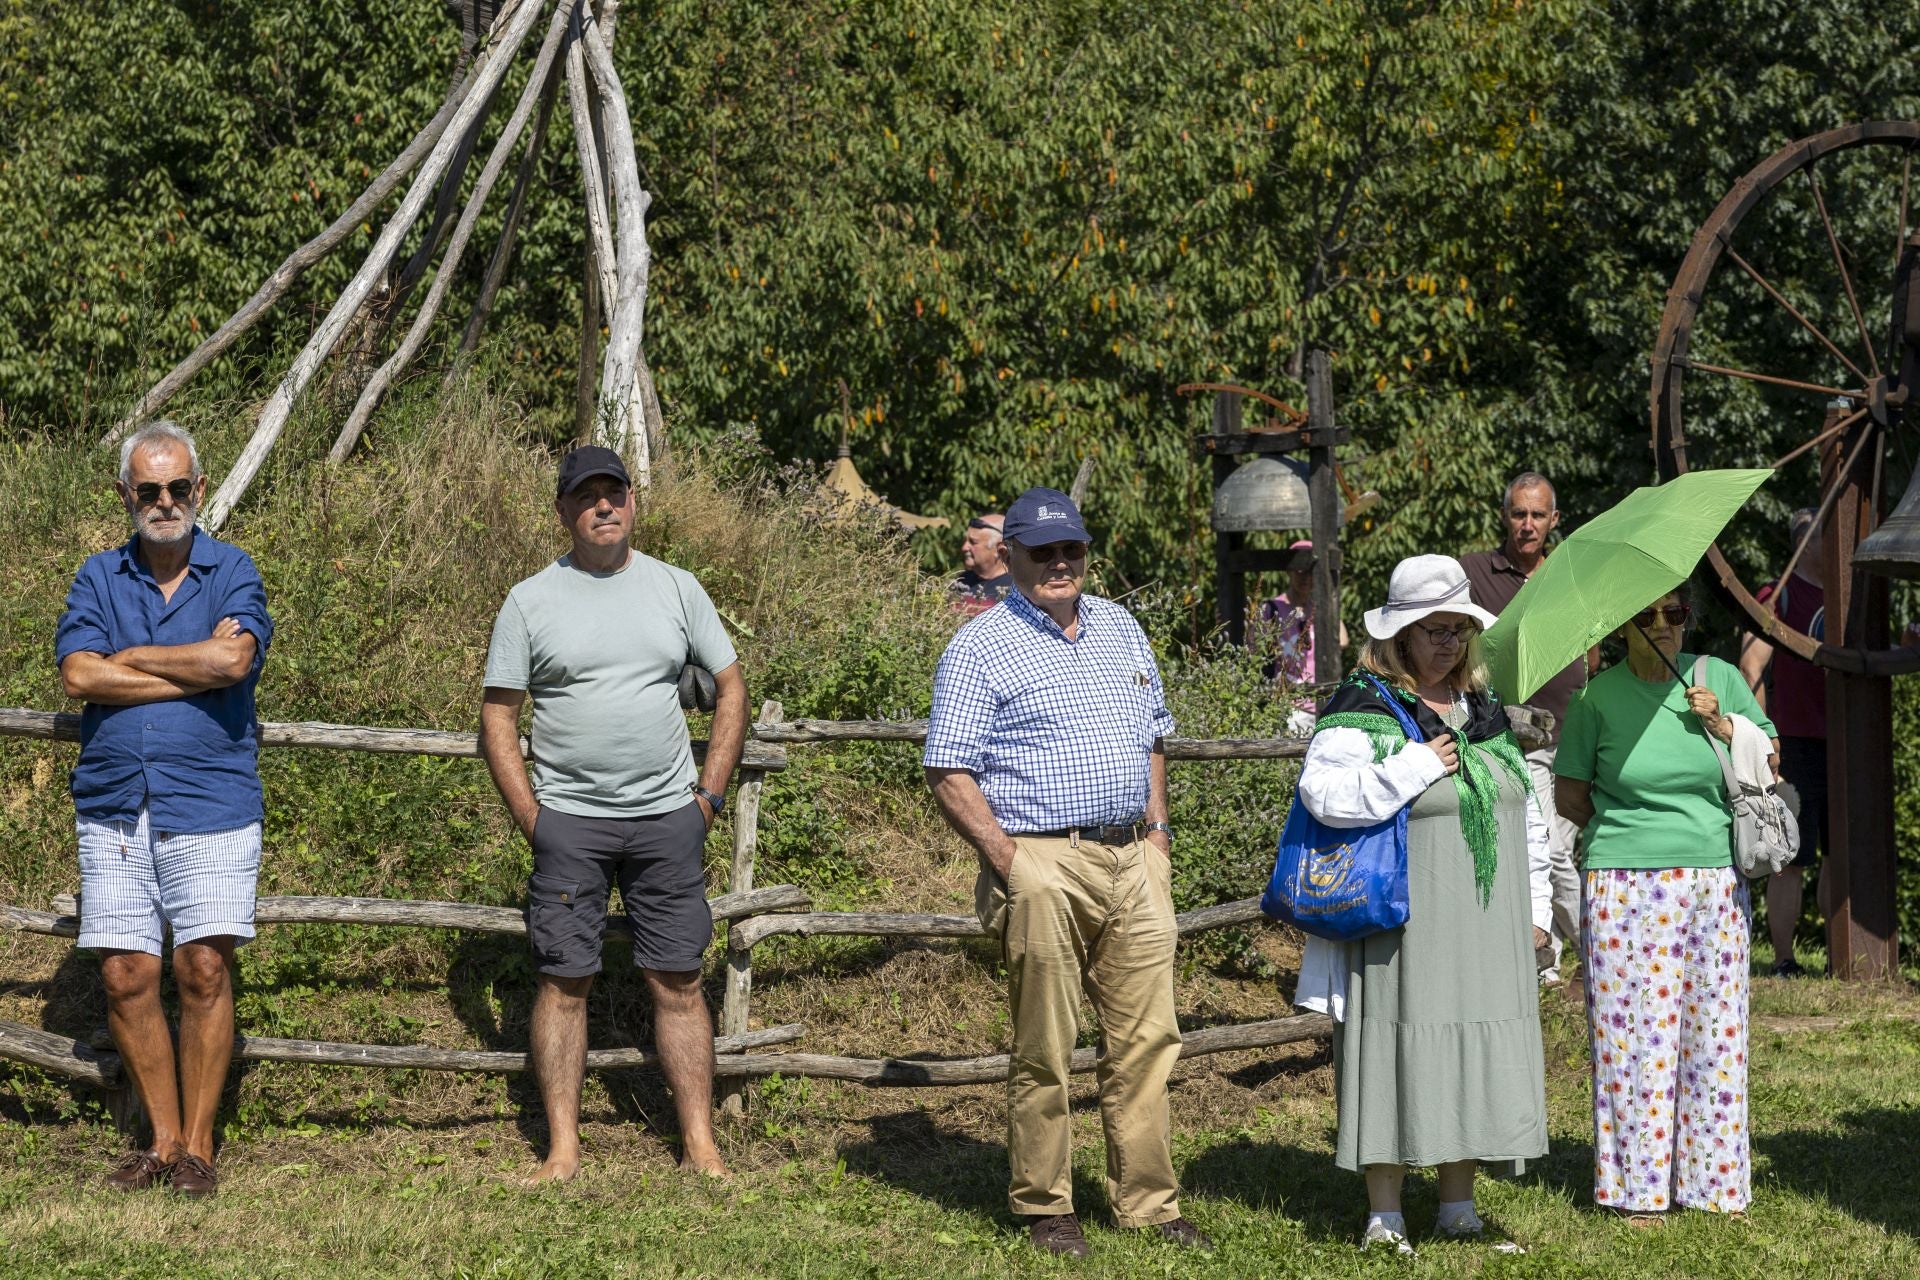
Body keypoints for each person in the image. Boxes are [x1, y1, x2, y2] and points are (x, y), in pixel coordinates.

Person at [923, 487, 1209, 1257]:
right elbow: (947, 767)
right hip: (1041, 857)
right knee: (1045, 1044)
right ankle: (1045, 1204)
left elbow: (1154, 736)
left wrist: (1158, 836)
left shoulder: (1120, 625)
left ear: (1086, 553)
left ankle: (1148, 1203)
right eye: (1042, 552)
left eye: (1070, 550)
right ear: (1009, 557)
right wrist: (1012, 860)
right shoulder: (980, 646)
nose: (1059, 564)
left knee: (1150, 1040)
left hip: (1133, 856)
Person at [480, 445, 748, 1183]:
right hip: (569, 820)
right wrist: (535, 818)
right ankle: (563, 1150)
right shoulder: (530, 600)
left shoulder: (677, 587)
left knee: (679, 980)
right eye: (586, 496)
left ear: (633, 502)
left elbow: (731, 686)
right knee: (564, 983)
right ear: (563, 511)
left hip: (669, 818)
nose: (603, 506)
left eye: (615, 493)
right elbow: (498, 717)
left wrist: (708, 798)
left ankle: (701, 1147)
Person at [1291, 554, 1550, 1255]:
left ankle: (1458, 1204)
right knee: (1397, 1049)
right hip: (1404, 920)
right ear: (1400, 635)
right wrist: (1414, 765)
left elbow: (1523, 811)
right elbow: (1325, 797)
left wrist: (1537, 908)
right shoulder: (1364, 705)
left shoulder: (1483, 712)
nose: (1446, 642)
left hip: (1484, 921)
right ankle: (1386, 1214)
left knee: (1467, 1046)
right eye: (1431, 629)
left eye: (1458, 629)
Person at [55, 420, 274, 1198]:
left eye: (178, 487)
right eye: (148, 489)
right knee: (125, 974)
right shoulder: (97, 578)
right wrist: (192, 672)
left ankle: (201, 1150)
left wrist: (134, 658)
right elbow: (79, 677)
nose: (165, 501)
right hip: (115, 805)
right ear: (126, 495)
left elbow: (233, 658)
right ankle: (163, 1138)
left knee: (204, 967)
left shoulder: (233, 570)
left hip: (210, 797)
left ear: (200, 490)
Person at [1554, 584, 1777, 1222]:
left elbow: (1771, 761)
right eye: (1647, 615)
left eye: (1674, 613)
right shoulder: (1595, 699)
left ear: (1688, 618)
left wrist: (1723, 724)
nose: (1662, 624)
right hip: (1626, 882)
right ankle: (1638, 1190)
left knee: (1716, 1034)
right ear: (1623, 626)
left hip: (1714, 877)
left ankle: (1714, 1187)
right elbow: (1572, 795)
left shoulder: (1721, 679)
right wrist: (1635, 833)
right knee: (1633, 1040)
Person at [1460, 471, 1590, 988]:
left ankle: (1549, 961)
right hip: (1519, 737)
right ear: (1505, 517)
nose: (1528, 524)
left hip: (1576, 734)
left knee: (1559, 848)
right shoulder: (1474, 571)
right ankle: (1604, 951)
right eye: (1519, 513)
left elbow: (1590, 645)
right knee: (1552, 852)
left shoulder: (1570, 574)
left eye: (1538, 515)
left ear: (1554, 520)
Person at [1737, 508, 1828, 977]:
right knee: (1788, 858)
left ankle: (1842, 958)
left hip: (1848, 739)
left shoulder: (1848, 596)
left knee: (1842, 857)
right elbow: (1751, 665)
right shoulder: (1779, 595)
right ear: (1805, 542)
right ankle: (1785, 960)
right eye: (1825, 533)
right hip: (1795, 741)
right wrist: (1762, 741)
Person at [1258, 538, 1349, 736]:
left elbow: (1342, 640)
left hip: (1323, 701)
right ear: (1289, 571)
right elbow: (1253, 649)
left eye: (1310, 571)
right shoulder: (1271, 609)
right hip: (1288, 703)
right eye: (1299, 570)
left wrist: (1327, 600)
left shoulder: (1319, 609)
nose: (1305, 577)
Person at [951, 512, 1014, 615]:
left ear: (999, 550)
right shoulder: (962, 581)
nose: (964, 547)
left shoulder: (1016, 589)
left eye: (973, 542)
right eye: (965, 541)